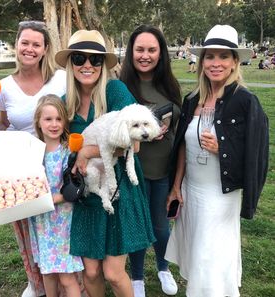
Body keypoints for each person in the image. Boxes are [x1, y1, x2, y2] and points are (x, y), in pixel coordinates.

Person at [165, 24, 269, 297]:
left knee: (209, 258)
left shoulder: (246, 102)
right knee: (197, 253)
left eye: (224, 56)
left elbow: (256, 158)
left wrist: (222, 148)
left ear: (235, 61)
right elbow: (183, 149)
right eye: (210, 56)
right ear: (202, 62)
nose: (216, 63)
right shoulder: (193, 99)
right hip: (192, 191)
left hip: (220, 195)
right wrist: (176, 186)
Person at [55, 29, 155, 297]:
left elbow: (134, 143)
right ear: (70, 64)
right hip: (89, 192)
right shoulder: (65, 103)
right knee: (90, 272)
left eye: (95, 59)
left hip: (120, 188)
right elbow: (56, 141)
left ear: (102, 64)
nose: (87, 65)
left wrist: (87, 152)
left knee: (112, 272)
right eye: (79, 58)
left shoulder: (115, 91)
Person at [0, 20, 66, 297]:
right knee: (29, 227)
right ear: (17, 45)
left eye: (36, 44)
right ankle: (37, 281)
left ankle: (70, 278)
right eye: (25, 43)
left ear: (45, 49)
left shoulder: (61, 78)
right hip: (25, 167)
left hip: (58, 161)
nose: (29, 49)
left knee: (60, 223)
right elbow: (4, 127)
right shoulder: (3, 86)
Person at [119, 24, 181, 297]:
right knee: (137, 224)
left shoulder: (169, 84)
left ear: (160, 53)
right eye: (140, 49)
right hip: (133, 168)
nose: (145, 55)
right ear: (131, 51)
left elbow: (180, 131)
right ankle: (136, 277)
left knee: (159, 223)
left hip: (162, 169)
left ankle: (163, 267)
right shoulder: (120, 86)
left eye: (152, 50)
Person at [28, 94, 84, 297]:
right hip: (41, 221)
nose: (54, 124)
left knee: (66, 276)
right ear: (38, 122)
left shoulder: (68, 151)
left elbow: (76, 188)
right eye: (48, 119)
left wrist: (52, 199)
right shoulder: (32, 150)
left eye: (58, 119)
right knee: (48, 273)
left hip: (63, 221)